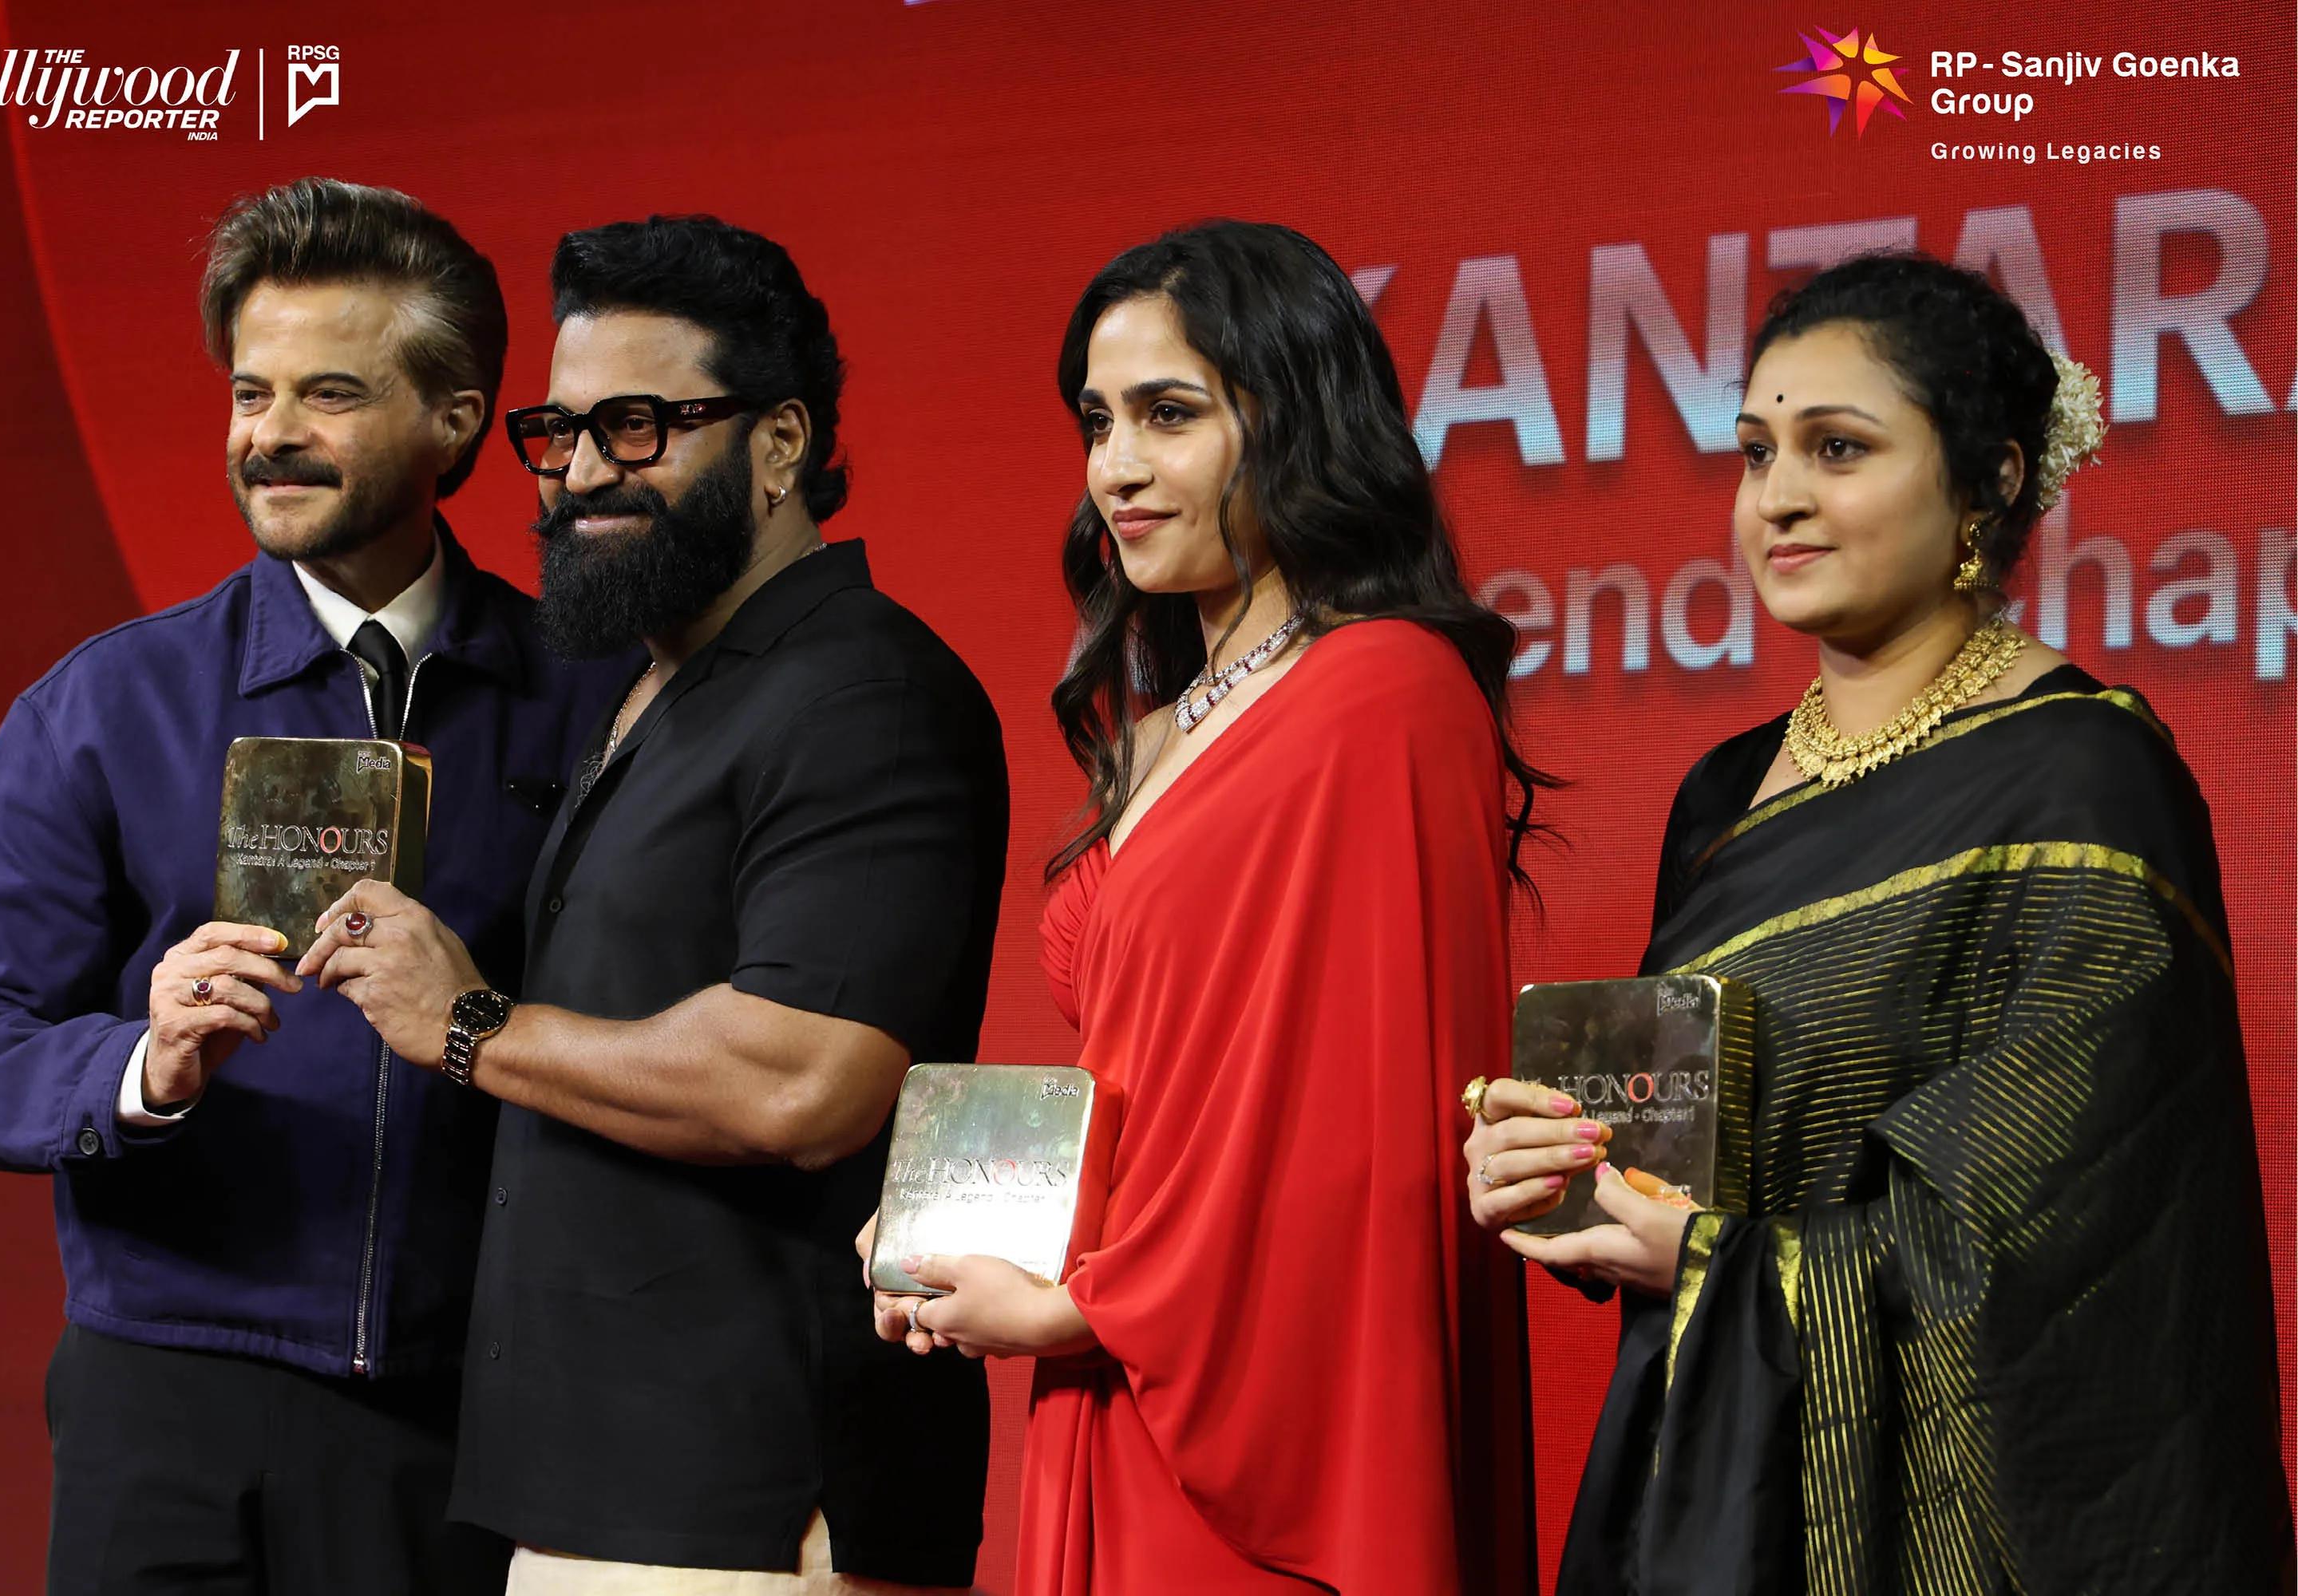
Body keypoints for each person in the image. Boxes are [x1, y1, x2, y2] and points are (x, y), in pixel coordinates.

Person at [1468, 250, 2292, 1594]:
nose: (1778, 498)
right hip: (1701, 1481)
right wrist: (1562, 1173)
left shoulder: (2087, 777)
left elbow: (2065, 1239)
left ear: (1992, 477)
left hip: (1946, 1533)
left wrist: (1716, 1262)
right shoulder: (1722, 795)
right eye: (1754, 453)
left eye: (1837, 448)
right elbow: (1693, 1157)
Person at [0, 176, 625, 1594]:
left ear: (459, 424)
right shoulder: (103, 707)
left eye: (330, 394)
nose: (269, 437)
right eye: (250, 392)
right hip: (164, 1400)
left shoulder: (596, 704)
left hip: (466, 1413)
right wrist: (143, 1062)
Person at [297, 214, 1007, 1593]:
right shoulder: (661, 686)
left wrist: (470, 1027)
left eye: (636, 427)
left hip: (756, 1511)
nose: (578, 473)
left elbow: (806, 1079)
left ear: (784, 441)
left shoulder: (865, 694)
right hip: (596, 1502)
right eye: (555, 434)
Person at [865, 220, 1541, 1595]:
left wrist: (1074, 1300)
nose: (1116, 467)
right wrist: (971, 1222)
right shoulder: (1166, 719)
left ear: (1294, 418)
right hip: (1117, 1369)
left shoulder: (1384, 692)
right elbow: (1162, 1084)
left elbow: (1352, 1144)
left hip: (1252, 1399)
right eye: (1097, 422)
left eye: (1168, 416)